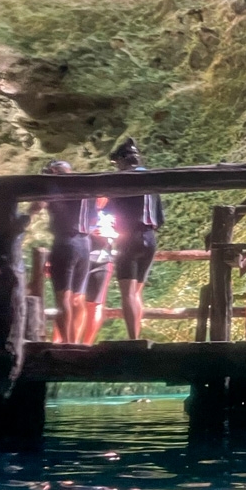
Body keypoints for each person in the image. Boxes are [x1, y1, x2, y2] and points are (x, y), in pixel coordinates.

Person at [107, 138, 163, 340]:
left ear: (123, 160)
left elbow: (109, 210)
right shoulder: (151, 180)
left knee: (127, 292)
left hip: (128, 236)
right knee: (136, 292)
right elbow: (160, 217)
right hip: (149, 236)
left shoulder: (122, 180)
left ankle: (133, 339)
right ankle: (137, 336)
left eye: (117, 163)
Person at [31, 162, 91, 344]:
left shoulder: (54, 187)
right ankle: (76, 341)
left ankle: (67, 342)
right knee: (77, 298)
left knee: (63, 297)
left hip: (64, 242)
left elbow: (37, 206)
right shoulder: (85, 188)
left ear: (54, 172)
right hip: (85, 243)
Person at [79, 205, 116, 345]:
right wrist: (90, 231)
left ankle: (87, 344)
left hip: (102, 259)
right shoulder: (83, 203)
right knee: (73, 301)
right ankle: (64, 341)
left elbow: (126, 232)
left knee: (95, 304)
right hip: (79, 257)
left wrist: (109, 233)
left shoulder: (115, 208)